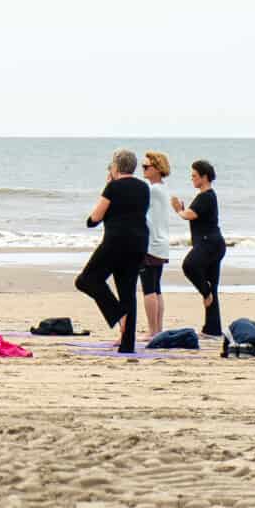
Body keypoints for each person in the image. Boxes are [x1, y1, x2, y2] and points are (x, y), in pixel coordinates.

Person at [76, 148, 151, 354]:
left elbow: (95, 218)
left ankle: (119, 314)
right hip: (139, 243)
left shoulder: (113, 187)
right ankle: (127, 345)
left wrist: (109, 184)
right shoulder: (144, 187)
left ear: (116, 166)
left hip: (116, 242)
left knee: (86, 280)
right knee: (128, 291)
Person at [173, 159, 225, 337]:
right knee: (212, 284)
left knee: (189, 265)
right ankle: (212, 328)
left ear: (204, 177)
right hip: (211, 243)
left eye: (195, 176)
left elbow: (189, 214)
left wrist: (178, 210)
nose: (192, 179)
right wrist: (182, 209)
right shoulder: (206, 196)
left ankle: (206, 292)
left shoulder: (206, 196)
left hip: (210, 243)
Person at [141, 151, 173, 337]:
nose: (143, 170)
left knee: (149, 288)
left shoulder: (152, 190)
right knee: (156, 287)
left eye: (147, 167)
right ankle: (157, 328)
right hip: (161, 243)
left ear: (157, 169)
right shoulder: (162, 188)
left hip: (151, 244)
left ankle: (153, 330)